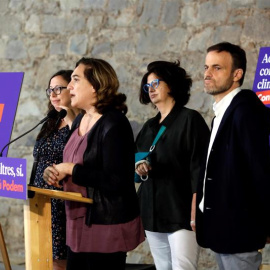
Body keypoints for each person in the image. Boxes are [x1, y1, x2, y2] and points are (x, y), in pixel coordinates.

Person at [43, 57, 145, 270]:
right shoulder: (80, 120)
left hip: (105, 225)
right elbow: (74, 166)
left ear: (96, 86)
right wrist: (56, 175)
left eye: (76, 80)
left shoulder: (114, 123)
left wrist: (70, 169)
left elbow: (116, 181)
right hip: (77, 222)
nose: (69, 86)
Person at [196, 42, 270, 270]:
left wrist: (265, 224)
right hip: (221, 227)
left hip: (239, 229)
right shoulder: (222, 112)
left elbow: (261, 170)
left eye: (217, 68)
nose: (208, 74)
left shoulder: (245, 111)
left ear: (237, 74)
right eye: (207, 67)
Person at [135, 60, 209, 270]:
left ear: (172, 84)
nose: (151, 89)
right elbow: (136, 158)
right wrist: (139, 166)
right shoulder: (149, 126)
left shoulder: (190, 120)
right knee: (162, 267)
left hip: (181, 211)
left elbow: (200, 169)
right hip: (152, 211)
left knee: (183, 267)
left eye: (156, 83)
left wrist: (197, 209)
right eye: (147, 85)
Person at [31, 70, 80, 268]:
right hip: (40, 199)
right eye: (50, 90)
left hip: (62, 200)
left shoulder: (79, 124)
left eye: (59, 88)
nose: (53, 94)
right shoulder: (51, 121)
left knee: (59, 259)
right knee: (42, 256)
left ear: (71, 89)